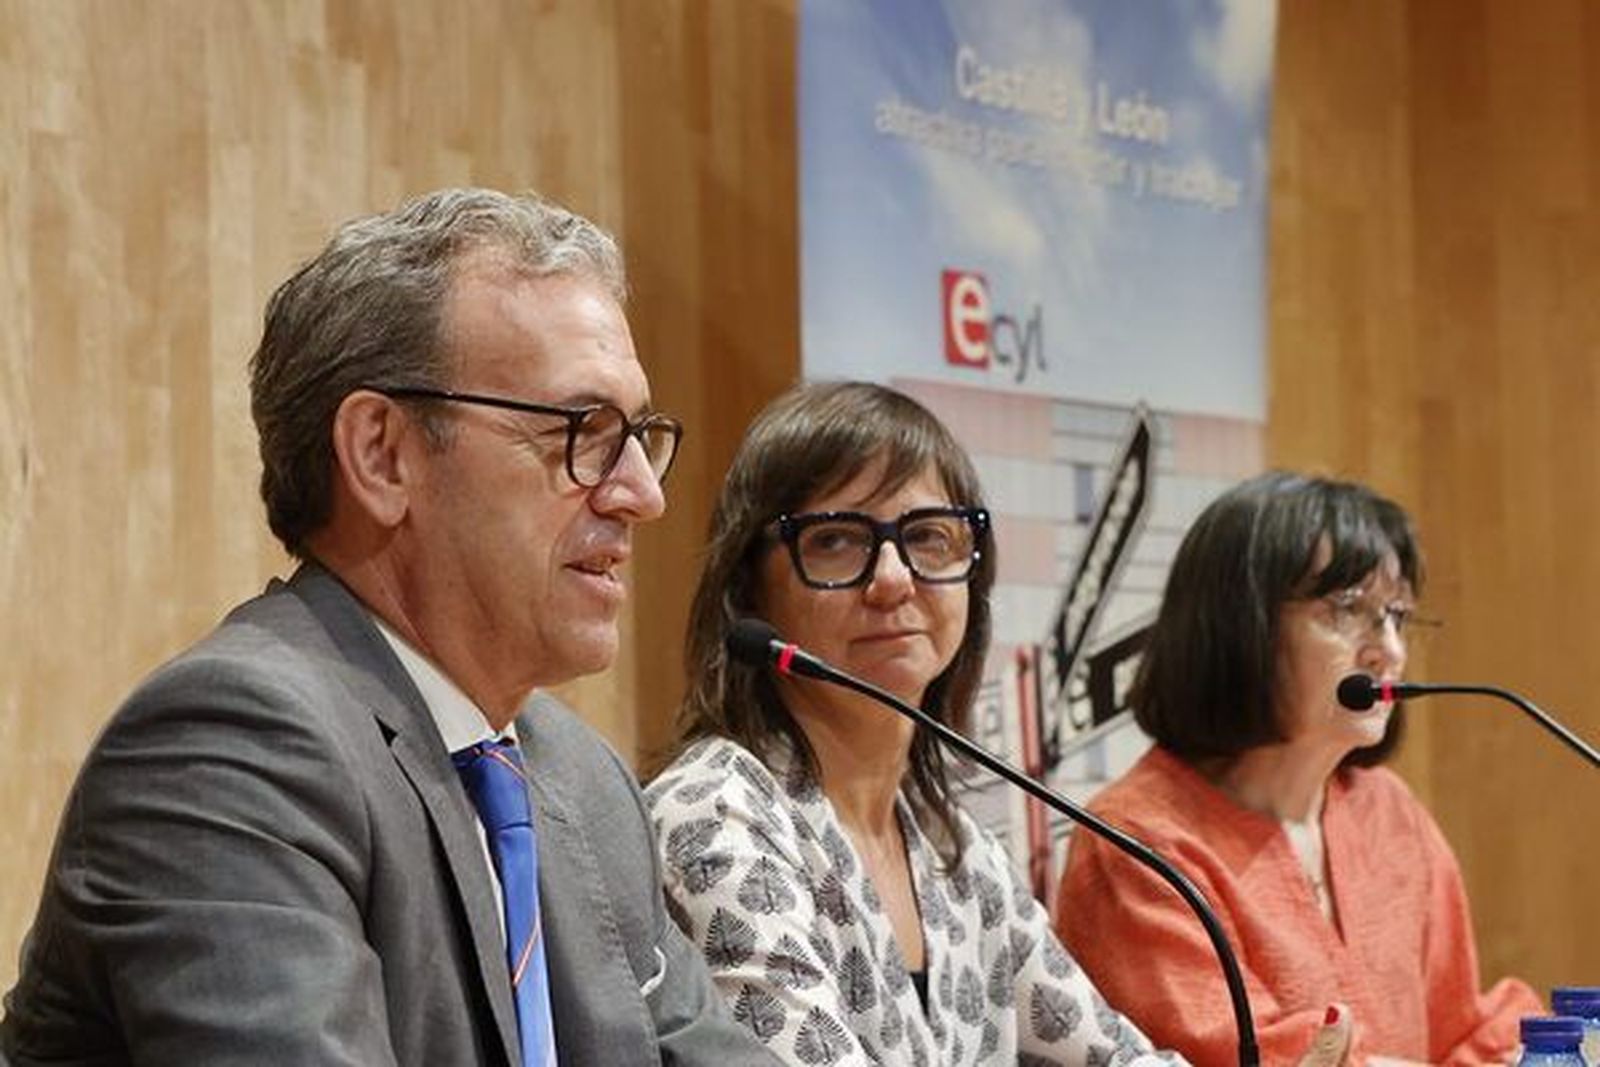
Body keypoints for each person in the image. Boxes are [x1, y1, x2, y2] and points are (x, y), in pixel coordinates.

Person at [1, 188, 777, 1065]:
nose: (641, 493)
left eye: (638, 435)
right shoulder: (230, 751)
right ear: (381, 454)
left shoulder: (579, 778)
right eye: (584, 430)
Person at [645, 382, 1353, 1066]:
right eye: (835, 540)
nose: (893, 579)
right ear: (748, 589)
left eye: (928, 537)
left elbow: (1109, 1055)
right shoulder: (715, 815)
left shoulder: (957, 852)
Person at [1053, 471, 1542, 1066]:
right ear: (1241, 624)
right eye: (1349, 609)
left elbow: (1460, 1027)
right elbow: (1238, 1058)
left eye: (1396, 615)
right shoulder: (1138, 845)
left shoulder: (1387, 812)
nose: (1389, 650)